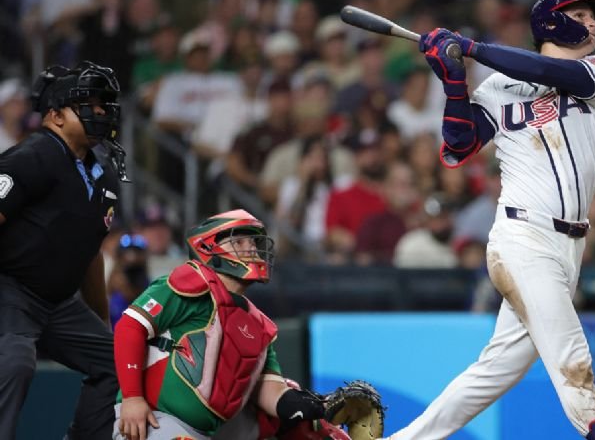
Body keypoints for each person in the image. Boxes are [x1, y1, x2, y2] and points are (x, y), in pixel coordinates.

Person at [380, 0, 595, 440]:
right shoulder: (500, 85)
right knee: (573, 366)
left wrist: (472, 49)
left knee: (494, 372)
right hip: (522, 238)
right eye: (581, 14)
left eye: (594, 16)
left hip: (569, 247)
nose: (593, 23)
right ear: (552, 21)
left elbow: (547, 69)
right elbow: (459, 146)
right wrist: (453, 80)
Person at [112, 209, 347, 440]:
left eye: (253, 241)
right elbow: (129, 328)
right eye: (239, 240)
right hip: (153, 420)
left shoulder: (259, 324)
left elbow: (272, 392)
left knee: (302, 420)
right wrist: (132, 398)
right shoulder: (186, 283)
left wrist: (319, 406)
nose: (252, 248)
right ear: (207, 247)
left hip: (211, 431)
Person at [0, 61, 126, 439]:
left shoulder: (101, 171)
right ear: (54, 116)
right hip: (10, 288)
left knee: (119, 362)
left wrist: (102, 324)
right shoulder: (35, 154)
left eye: (103, 105)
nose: (100, 112)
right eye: (87, 104)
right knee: (15, 362)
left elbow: (90, 250)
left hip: (57, 302)